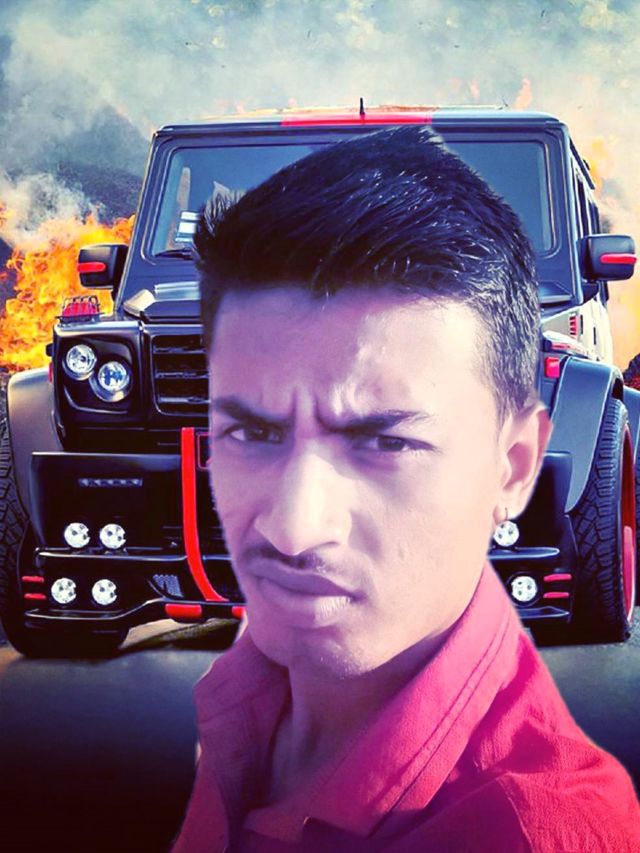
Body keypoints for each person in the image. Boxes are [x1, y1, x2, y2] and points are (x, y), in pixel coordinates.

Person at [172, 125, 640, 851]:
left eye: (386, 441)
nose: (294, 528)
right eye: (254, 433)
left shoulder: (524, 830)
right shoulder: (249, 703)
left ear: (514, 465)